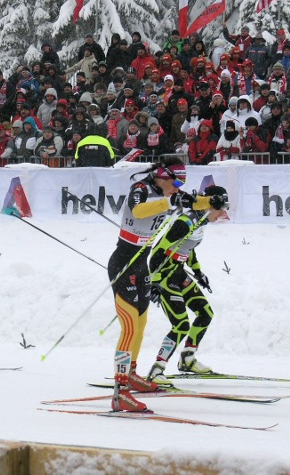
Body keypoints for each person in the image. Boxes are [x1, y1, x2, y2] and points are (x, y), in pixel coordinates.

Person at [107, 158, 208, 412]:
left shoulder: (170, 192)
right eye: (175, 182)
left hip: (142, 264)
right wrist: (170, 202)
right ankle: (119, 392)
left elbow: (194, 202)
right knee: (129, 327)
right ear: (161, 176)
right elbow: (139, 211)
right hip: (124, 262)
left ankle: (131, 373)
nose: (178, 187)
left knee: (140, 325)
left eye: (181, 183)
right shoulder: (141, 189)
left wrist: (212, 202)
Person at [146, 186, 229, 383]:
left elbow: (187, 249)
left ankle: (187, 359)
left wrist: (198, 271)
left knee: (205, 313)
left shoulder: (199, 222)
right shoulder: (184, 223)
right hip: (164, 276)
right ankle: (157, 369)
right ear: (210, 206)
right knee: (181, 325)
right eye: (221, 209)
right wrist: (154, 283)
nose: (223, 214)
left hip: (178, 272)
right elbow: (157, 252)